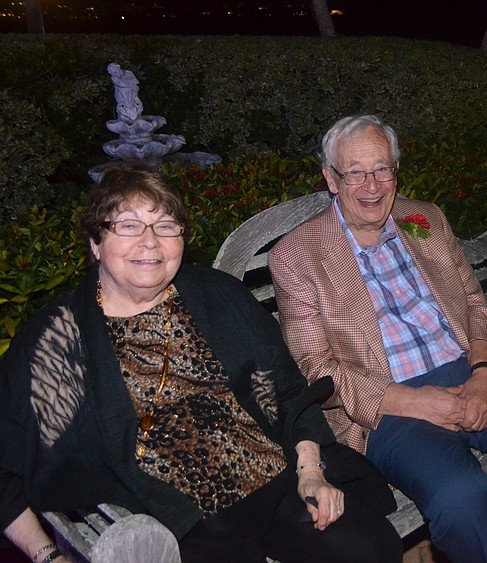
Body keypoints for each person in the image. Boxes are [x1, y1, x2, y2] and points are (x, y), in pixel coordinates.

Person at [0, 165, 403, 563]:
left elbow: (288, 390)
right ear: (95, 241)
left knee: (372, 547)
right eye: (128, 226)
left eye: (165, 226)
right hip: (177, 523)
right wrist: (49, 556)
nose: (150, 243)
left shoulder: (217, 294)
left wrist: (311, 472)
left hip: (276, 480)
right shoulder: (56, 339)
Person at [269, 115, 487, 563]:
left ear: (396, 171)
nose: (372, 186)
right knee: (461, 496)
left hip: (469, 370)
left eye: (383, 169)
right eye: (355, 173)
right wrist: (414, 402)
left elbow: (473, 302)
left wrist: (485, 372)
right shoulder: (296, 255)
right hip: (386, 404)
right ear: (331, 178)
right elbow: (316, 369)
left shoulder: (422, 217)